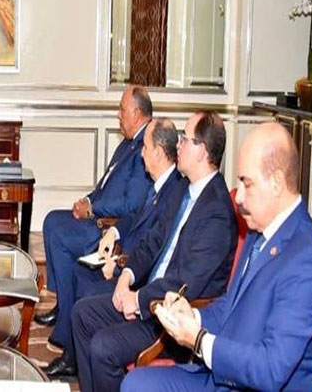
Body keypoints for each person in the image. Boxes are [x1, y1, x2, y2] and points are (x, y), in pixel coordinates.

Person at [122, 122, 312, 391]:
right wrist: (192, 316)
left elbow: (270, 370)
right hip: (222, 373)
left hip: (251, 384)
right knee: (135, 383)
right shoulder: (260, 232)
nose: (239, 197)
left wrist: (198, 340)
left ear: (277, 182)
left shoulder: (307, 260)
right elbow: (230, 307)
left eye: (247, 183)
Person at [72, 110, 237, 392]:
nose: (178, 144)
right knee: (82, 314)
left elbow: (185, 283)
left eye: (185, 139)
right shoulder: (183, 189)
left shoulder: (217, 212)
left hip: (170, 318)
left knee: (103, 347)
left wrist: (137, 300)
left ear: (202, 151)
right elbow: (151, 242)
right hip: (149, 296)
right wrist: (126, 277)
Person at [43, 117, 183, 379]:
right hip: (123, 255)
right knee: (80, 272)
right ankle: (74, 357)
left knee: (86, 296)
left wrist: (121, 264)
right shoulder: (160, 184)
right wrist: (114, 232)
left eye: (145, 148)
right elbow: (135, 216)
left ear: (158, 152)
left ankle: (77, 359)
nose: (141, 152)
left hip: (136, 273)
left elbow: (155, 246)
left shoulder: (175, 191)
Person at [35, 86, 152, 337]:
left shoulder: (145, 148)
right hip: (96, 214)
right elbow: (105, 186)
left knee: (60, 238)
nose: (118, 115)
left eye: (122, 109)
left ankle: (66, 325)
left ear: (137, 113)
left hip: (108, 227)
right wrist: (87, 200)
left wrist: (92, 209)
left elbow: (131, 205)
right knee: (51, 221)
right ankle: (63, 302)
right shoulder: (128, 143)